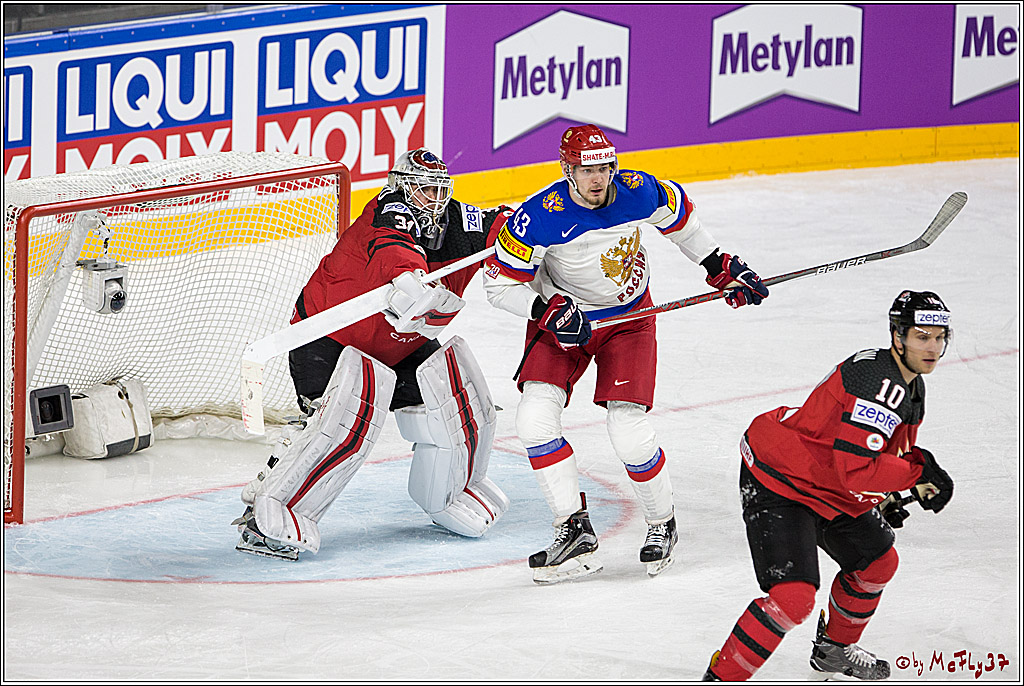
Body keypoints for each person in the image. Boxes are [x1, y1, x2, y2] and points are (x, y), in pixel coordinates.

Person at [481, 123, 770, 583]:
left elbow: (683, 222)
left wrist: (720, 266)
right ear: (568, 171)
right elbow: (497, 287)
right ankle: (573, 530)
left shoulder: (638, 190)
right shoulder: (537, 217)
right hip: (565, 321)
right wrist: (544, 309)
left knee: (628, 431)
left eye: (604, 168)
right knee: (534, 420)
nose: (598, 179)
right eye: (587, 170)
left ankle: (662, 523)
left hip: (629, 321)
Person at [233, 148, 514, 561]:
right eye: (424, 189)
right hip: (330, 339)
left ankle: (451, 494)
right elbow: (393, 252)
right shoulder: (388, 212)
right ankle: (266, 518)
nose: (434, 199)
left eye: (439, 189)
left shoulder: (454, 220)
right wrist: (410, 278)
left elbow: (504, 226)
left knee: (456, 405)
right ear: (402, 187)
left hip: (402, 344)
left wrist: (543, 229)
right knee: (334, 428)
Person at [701, 290, 956, 681]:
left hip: (825, 480)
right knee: (793, 599)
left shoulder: (910, 385)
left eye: (939, 337)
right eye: (922, 337)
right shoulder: (882, 384)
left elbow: (876, 454)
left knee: (878, 562)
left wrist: (885, 494)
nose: (933, 347)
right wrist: (914, 474)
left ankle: (834, 651)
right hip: (780, 478)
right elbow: (857, 471)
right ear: (898, 336)